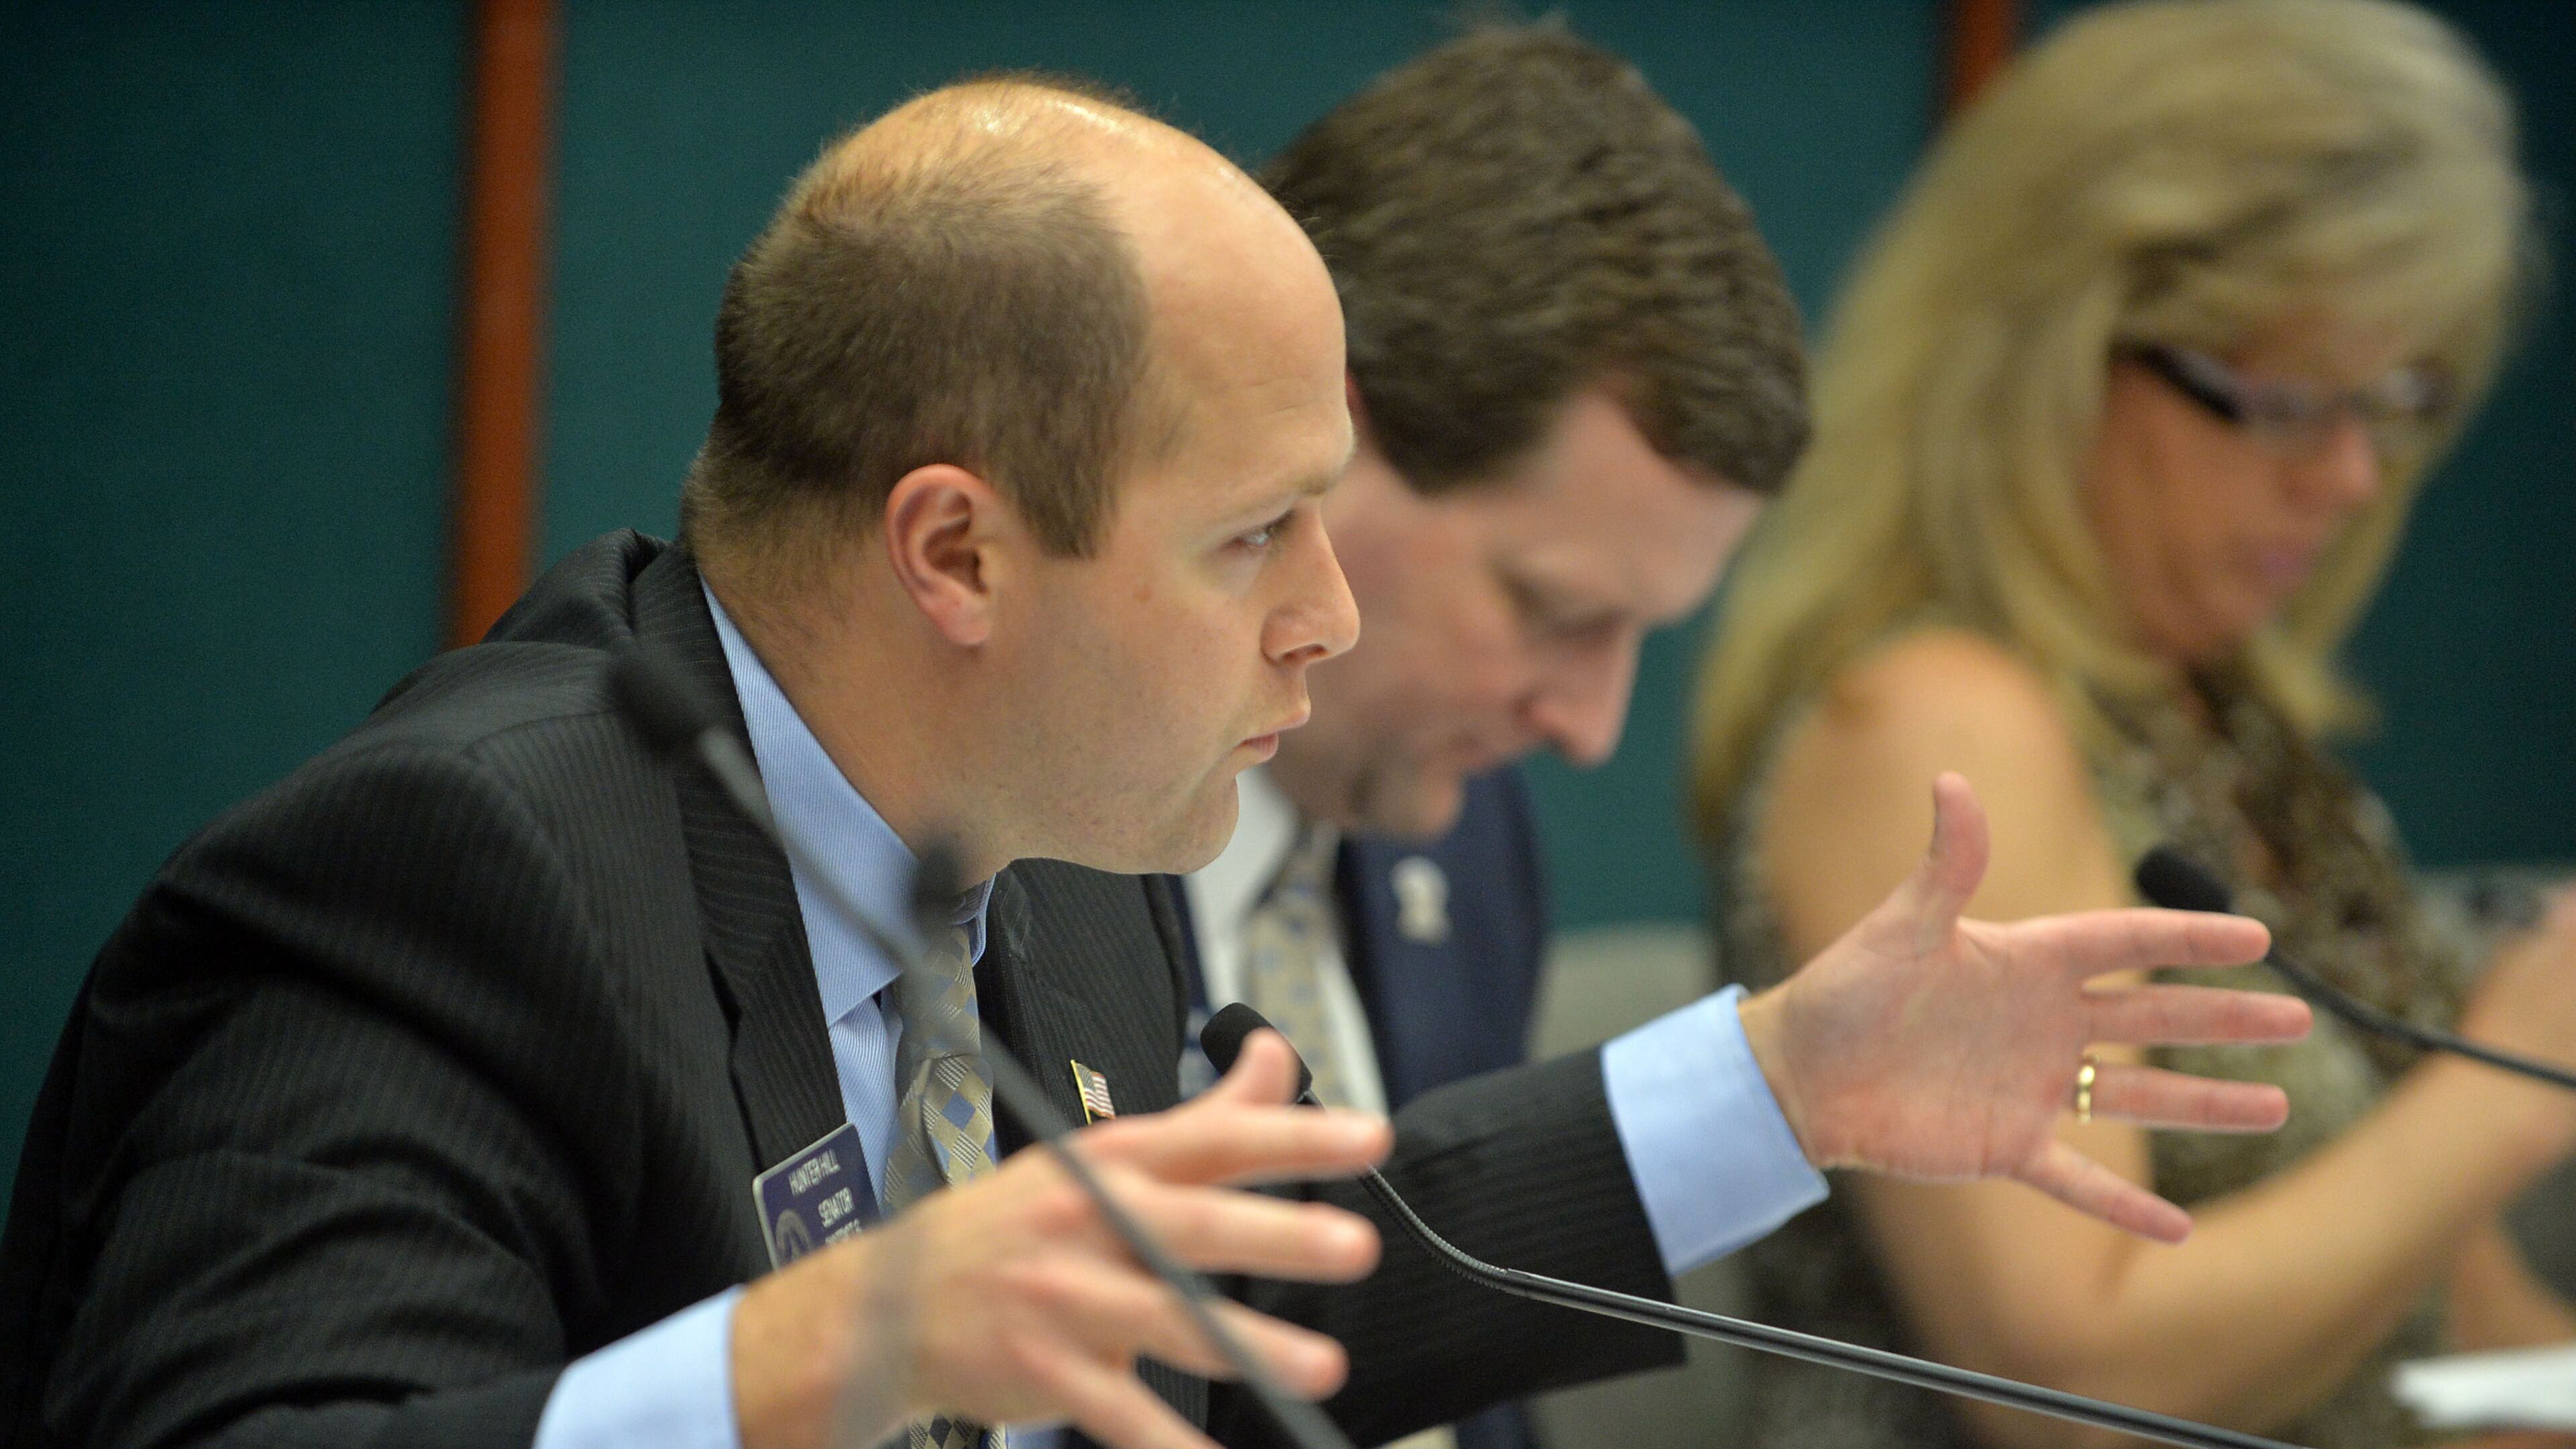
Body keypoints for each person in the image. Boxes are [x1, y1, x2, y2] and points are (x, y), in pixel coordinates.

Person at [2, 72, 2301, 1449]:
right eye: (1252, 536)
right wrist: (811, 1366)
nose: (1331, 613)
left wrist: (1785, 1087)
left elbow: (1240, 1310)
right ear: (957, 552)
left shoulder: (1058, 844)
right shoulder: (452, 874)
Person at [1688, 3, 2576, 1446]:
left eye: (2395, 402)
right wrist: (2501, 1088)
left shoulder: (2226, 733)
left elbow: (2451, 1330)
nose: (2352, 477)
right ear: (2054, 354)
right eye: (2286, 403)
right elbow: (2069, 1385)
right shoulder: (1932, 721)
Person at [1173, 29, 1805, 1449]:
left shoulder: (1468, 840)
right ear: (1311, 447)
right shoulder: (1009, 834)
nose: (1590, 728)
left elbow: (1456, 1372)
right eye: (1556, 611)